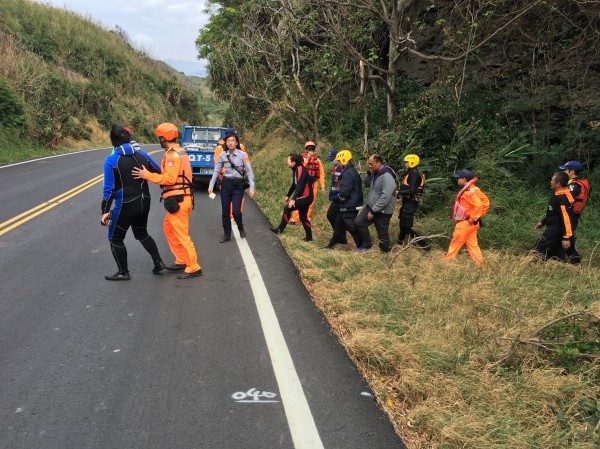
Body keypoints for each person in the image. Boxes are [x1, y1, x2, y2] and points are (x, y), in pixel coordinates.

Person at [132, 123, 202, 279]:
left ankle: (194, 267)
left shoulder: (172, 155)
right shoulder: (178, 151)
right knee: (168, 228)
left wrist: (146, 175)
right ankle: (182, 260)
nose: (160, 140)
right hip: (179, 198)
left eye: (160, 137)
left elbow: (169, 178)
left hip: (179, 200)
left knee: (181, 234)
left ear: (165, 137)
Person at [101, 125, 166, 281]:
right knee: (142, 233)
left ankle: (123, 272)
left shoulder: (111, 160)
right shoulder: (143, 155)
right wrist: (145, 175)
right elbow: (158, 171)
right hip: (145, 201)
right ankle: (159, 263)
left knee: (115, 238)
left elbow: (108, 189)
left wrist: (105, 210)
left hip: (125, 204)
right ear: (130, 139)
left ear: (113, 142)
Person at [208, 132, 255, 242]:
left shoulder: (243, 155)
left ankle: (240, 228)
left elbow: (249, 171)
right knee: (225, 212)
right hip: (226, 185)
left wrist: (252, 188)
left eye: (233, 140)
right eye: (228, 141)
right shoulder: (222, 155)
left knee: (236, 212)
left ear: (237, 142)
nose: (230, 142)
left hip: (238, 186)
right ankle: (227, 235)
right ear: (225, 143)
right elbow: (216, 170)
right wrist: (211, 185)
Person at [442, 169, 489, 267]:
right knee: (473, 247)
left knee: (455, 244)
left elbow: (479, 205)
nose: (457, 180)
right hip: (473, 224)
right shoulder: (475, 189)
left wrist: (473, 218)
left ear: (464, 179)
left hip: (466, 223)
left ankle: (444, 265)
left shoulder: (468, 192)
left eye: (458, 178)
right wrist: (479, 215)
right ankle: (480, 267)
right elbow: (486, 202)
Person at [354, 154, 398, 253]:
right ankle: (367, 245)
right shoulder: (375, 172)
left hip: (383, 210)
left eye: (371, 164)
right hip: (372, 206)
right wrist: (369, 173)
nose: (369, 166)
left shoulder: (387, 176)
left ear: (378, 163)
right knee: (359, 222)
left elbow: (385, 196)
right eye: (368, 164)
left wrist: (373, 210)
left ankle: (385, 252)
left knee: (382, 234)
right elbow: (367, 184)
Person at [323, 150, 363, 250]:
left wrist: (337, 199)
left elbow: (344, 192)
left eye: (339, 161)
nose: (338, 163)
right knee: (339, 224)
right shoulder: (349, 171)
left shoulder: (348, 173)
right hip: (347, 204)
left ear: (344, 160)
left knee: (350, 226)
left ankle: (362, 246)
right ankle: (330, 246)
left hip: (349, 204)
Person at [270, 154, 314, 241]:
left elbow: (300, 185)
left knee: (287, 208)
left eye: (288, 161)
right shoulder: (295, 169)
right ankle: (309, 237)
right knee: (303, 217)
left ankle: (280, 229)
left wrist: (293, 199)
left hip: (306, 197)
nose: (287, 162)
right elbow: (294, 185)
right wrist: (288, 196)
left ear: (293, 162)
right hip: (304, 197)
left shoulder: (300, 169)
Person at [532, 171, 574, 262]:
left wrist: (566, 238)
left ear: (558, 183)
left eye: (552, 180)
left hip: (555, 231)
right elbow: (554, 214)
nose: (550, 182)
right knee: (556, 259)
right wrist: (543, 222)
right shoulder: (559, 194)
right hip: (556, 230)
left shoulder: (562, 198)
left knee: (536, 251)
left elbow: (566, 218)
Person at [397, 154, 429, 250]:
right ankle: (399, 243)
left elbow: (411, 191)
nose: (405, 164)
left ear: (411, 163)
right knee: (402, 225)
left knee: (406, 227)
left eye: (406, 162)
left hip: (410, 204)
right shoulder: (411, 173)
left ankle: (425, 245)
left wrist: (398, 192)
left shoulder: (414, 174)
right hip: (407, 203)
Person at [559, 160, 589, 264]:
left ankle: (575, 261)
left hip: (569, 217)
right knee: (567, 240)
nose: (563, 172)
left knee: (565, 240)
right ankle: (571, 260)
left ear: (572, 171)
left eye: (565, 170)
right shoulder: (576, 183)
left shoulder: (574, 186)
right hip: (572, 217)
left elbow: (565, 200)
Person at [290, 141, 325, 224]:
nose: (311, 150)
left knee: (310, 201)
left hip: (313, 183)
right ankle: (295, 219)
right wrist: (308, 159)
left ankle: (306, 218)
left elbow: (322, 173)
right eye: (309, 149)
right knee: (299, 200)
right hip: (303, 184)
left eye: (312, 149)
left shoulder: (318, 160)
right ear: (306, 150)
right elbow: (300, 169)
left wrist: (322, 185)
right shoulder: (302, 159)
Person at [325, 149, 348, 244]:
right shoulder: (336, 167)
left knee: (333, 216)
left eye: (333, 159)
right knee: (332, 216)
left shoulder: (343, 169)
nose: (332, 161)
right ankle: (340, 236)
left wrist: (339, 196)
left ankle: (339, 236)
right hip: (335, 196)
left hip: (340, 197)